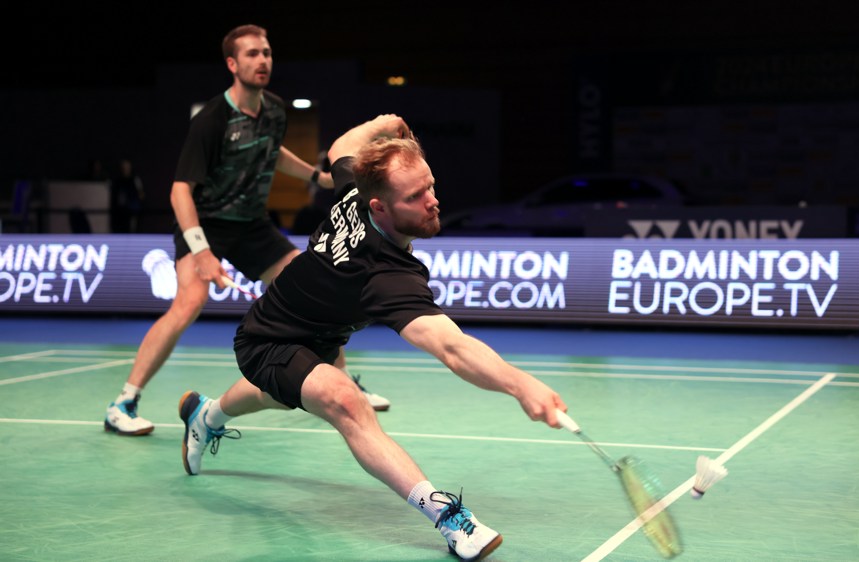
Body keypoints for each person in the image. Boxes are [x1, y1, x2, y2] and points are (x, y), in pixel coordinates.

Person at [177, 114, 568, 561]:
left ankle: (206, 415)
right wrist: (522, 385)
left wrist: (385, 123)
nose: (433, 202)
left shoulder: (357, 186)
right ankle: (449, 519)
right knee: (346, 401)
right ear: (378, 206)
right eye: (416, 196)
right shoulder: (386, 274)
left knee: (280, 394)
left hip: (318, 337)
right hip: (267, 337)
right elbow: (453, 348)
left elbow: (342, 144)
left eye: (431, 187)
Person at [104, 24, 388, 437]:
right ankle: (123, 402)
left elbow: (272, 152)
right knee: (189, 302)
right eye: (253, 54)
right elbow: (180, 190)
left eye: (267, 53)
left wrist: (316, 177)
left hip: (252, 225)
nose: (263, 60)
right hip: (205, 223)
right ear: (232, 64)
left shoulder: (273, 109)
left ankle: (345, 381)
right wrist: (200, 251)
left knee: (317, 283)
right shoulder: (211, 120)